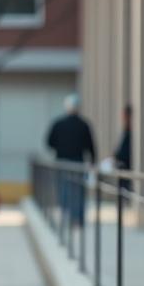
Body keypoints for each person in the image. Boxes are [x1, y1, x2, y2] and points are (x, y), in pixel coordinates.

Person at [46, 94, 96, 224]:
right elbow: (90, 146)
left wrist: (60, 147)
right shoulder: (84, 125)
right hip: (78, 162)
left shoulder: (58, 124)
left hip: (62, 161)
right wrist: (93, 162)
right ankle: (77, 218)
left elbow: (49, 142)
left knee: (64, 190)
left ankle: (66, 216)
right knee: (78, 191)